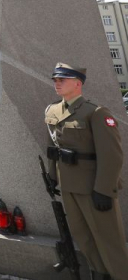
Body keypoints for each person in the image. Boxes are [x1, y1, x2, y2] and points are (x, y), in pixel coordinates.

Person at [45, 63, 128, 279]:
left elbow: (112, 155)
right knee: (84, 238)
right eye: (55, 80)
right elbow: (53, 150)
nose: (57, 83)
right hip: (68, 186)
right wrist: (52, 177)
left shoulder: (96, 113)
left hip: (93, 188)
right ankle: (99, 275)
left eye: (62, 79)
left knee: (109, 242)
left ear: (77, 83)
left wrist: (104, 189)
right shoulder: (53, 111)